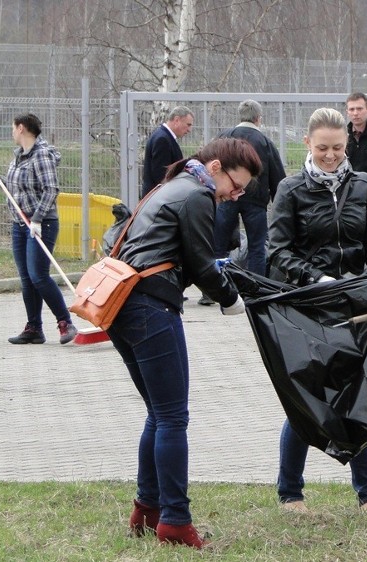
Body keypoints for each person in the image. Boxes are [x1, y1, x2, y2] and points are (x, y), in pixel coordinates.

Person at [108, 137, 261, 549]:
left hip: (120, 305)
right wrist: (232, 299)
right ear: (214, 167)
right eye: (235, 184)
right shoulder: (198, 195)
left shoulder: (169, 184)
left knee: (158, 415)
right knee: (173, 417)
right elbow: (199, 261)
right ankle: (175, 522)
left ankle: (147, 510)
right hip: (151, 308)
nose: (234, 195)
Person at [268, 107, 367, 514]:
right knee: (309, 400)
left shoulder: (362, 185)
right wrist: (314, 278)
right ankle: (290, 491)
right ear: (307, 143)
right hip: (308, 307)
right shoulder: (290, 190)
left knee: (358, 398)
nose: (331, 156)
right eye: (322, 147)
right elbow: (277, 252)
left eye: (338, 148)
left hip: (357, 306)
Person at [0, 113, 78, 345]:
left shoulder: (42, 156)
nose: (11, 132)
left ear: (21, 128)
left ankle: (65, 322)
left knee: (39, 275)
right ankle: (34, 328)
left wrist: (37, 219)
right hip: (20, 224)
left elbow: (51, 189)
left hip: (42, 223)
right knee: (27, 278)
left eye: (12, 128)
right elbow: (16, 188)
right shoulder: (19, 156)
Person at [211, 99, 286, 282]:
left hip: (226, 198)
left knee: (219, 246)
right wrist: (280, 205)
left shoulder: (224, 137)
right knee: (257, 247)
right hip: (256, 202)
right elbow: (278, 177)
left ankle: (215, 287)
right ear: (258, 118)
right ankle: (256, 287)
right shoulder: (265, 142)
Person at [141, 106, 194, 197]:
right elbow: (161, 176)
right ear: (177, 120)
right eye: (188, 125)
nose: (189, 130)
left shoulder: (163, 136)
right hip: (159, 199)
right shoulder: (163, 139)